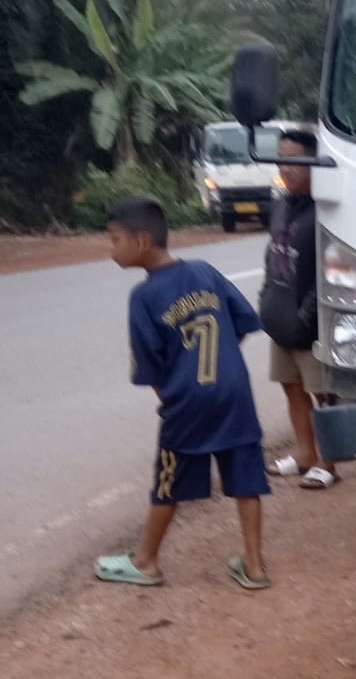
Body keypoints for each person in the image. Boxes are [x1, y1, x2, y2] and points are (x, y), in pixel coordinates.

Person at [94, 197, 271, 590]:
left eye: (115, 239)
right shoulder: (205, 271)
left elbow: (151, 366)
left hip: (188, 400)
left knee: (167, 480)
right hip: (234, 393)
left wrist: (173, 396)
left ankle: (146, 562)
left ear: (141, 242)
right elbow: (241, 322)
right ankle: (255, 566)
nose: (111, 249)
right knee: (246, 478)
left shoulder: (143, 297)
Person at [260, 128, 338, 489]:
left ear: (312, 164)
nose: (285, 167)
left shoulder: (328, 209)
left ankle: (328, 462)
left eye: (293, 160)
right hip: (281, 318)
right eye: (281, 159)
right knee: (291, 387)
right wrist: (266, 300)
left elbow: (334, 268)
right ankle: (305, 453)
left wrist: (308, 314)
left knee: (324, 395)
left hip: (311, 324)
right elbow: (272, 257)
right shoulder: (280, 205)